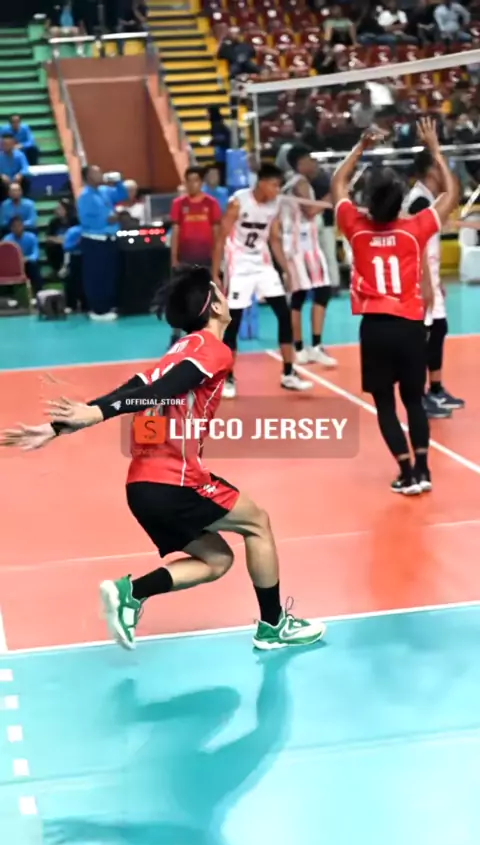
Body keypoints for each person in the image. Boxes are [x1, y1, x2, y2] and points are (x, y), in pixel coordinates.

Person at [0, 266, 326, 653]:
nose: (227, 297)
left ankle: (131, 593)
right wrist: (96, 413)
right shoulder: (214, 350)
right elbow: (161, 390)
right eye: (220, 292)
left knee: (217, 560)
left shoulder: (180, 349)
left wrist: (61, 426)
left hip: (142, 487)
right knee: (258, 524)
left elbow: (137, 387)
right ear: (215, 306)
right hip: (176, 481)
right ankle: (273, 626)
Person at [332, 118, 458, 494]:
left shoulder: (356, 227)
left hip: (375, 326)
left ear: (369, 203)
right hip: (409, 326)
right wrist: (435, 150)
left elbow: (337, 183)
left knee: (385, 405)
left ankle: (405, 473)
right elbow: (451, 193)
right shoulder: (414, 230)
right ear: (399, 202)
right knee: (414, 401)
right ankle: (424, 469)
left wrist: (360, 147)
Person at [212, 162, 313, 399]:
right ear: (262, 183)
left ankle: (289, 373)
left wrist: (287, 270)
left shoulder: (275, 205)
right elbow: (221, 238)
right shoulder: (239, 202)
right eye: (274, 185)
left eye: (279, 186)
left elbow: (274, 239)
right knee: (233, 322)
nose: (277, 190)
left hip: (263, 264)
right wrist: (215, 272)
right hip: (239, 265)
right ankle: (227, 377)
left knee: (284, 314)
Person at [404, 150, 464, 418]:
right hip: (420, 278)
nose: (446, 173)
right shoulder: (418, 201)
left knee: (438, 329)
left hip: (430, 275)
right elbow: (415, 246)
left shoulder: (428, 198)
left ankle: (436, 389)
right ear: (431, 171)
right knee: (423, 336)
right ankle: (418, 397)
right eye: (441, 167)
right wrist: (426, 282)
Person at [283, 144, 337, 368]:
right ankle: (307, 347)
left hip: (303, 246)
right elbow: (311, 211)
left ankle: (306, 348)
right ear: (300, 163)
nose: (313, 164)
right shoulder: (300, 183)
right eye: (309, 160)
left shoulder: (293, 183)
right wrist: (333, 195)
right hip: (301, 248)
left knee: (307, 295)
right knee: (308, 295)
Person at [169, 167, 222, 347]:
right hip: (185, 259)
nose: (192, 184)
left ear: (202, 182)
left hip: (206, 259)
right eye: (189, 181)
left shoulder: (211, 203)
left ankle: (207, 336)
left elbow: (217, 235)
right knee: (180, 297)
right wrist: (174, 259)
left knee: (206, 297)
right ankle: (176, 335)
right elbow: (175, 232)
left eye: (196, 180)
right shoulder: (179, 204)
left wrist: (218, 261)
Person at [77, 165, 128, 321]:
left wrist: (119, 182)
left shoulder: (105, 191)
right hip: (94, 241)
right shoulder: (85, 197)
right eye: (96, 173)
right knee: (96, 276)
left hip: (109, 239)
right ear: (87, 177)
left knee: (109, 274)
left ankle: (109, 305)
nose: (100, 175)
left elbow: (122, 195)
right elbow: (86, 221)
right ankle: (98, 309)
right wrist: (108, 220)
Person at [4, 216, 42, 296]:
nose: (17, 228)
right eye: (14, 226)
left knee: (33, 266)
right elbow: (6, 256)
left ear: (23, 226)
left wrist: (27, 258)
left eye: (19, 225)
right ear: (11, 228)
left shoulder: (31, 237)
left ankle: (38, 293)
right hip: (13, 265)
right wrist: (17, 261)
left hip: (27, 262)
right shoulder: (7, 239)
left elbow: (36, 253)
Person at [45, 198, 77, 274]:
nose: (57, 210)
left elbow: (77, 237)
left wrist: (65, 240)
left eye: (60, 208)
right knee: (50, 246)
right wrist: (60, 240)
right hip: (59, 245)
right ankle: (57, 269)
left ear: (67, 210)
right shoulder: (53, 222)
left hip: (71, 246)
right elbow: (49, 237)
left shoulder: (74, 221)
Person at [0, 131, 30, 202]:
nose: (5, 146)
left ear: (13, 144)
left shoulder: (20, 155)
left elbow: (25, 168)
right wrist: (1, 176)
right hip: (3, 182)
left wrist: (20, 174)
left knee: (26, 181)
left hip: (16, 181)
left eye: (7, 144)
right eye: (3, 144)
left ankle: (23, 201)